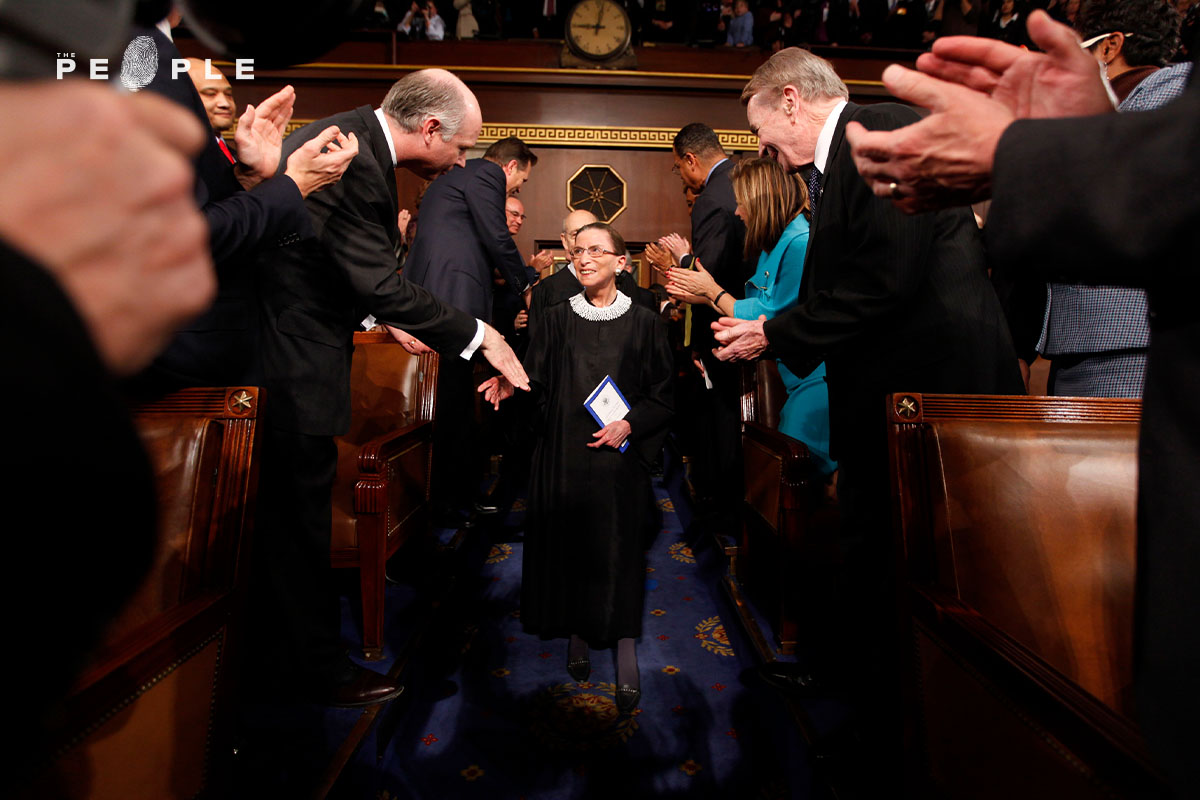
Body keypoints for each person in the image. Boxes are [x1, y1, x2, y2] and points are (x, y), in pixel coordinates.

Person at [842, 11, 1200, 793]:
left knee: (1102, 576)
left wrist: (1027, 158)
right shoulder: (1152, 99)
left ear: (1112, 44)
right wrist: (1088, 134)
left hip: (1127, 356)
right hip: (1108, 353)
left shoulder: (1170, 86)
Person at [713, 47, 1022, 754]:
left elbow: (885, 281)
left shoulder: (872, 132)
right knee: (875, 551)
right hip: (890, 394)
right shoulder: (838, 162)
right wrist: (773, 330)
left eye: (760, 127)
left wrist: (771, 334)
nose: (761, 147)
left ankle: (909, 726)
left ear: (790, 99)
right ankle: (861, 693)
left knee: (926, 566)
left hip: (935, 396)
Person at [254, 69, 529, 708]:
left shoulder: (356, 138)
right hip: (293, 364)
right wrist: (481, 335)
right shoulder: (347, 151)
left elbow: (344, 268)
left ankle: (293, 661)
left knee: (295, 526)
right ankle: (311, 671)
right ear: (429, 129)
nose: (462, 163)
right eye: (461, 149)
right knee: (297, 531)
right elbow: (376, 282)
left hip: (297, 353)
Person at [479, 222, 673, 714]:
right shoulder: (556, 316)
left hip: (619, 455)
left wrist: (629, 425)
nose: (584, 259)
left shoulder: (647, 320)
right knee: (573, 542)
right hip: (564, 450)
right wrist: (510, 386)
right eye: (578, 251)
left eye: (596, 251)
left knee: (617, 545)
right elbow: (536, 380)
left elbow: (663, 395)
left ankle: (623, 640)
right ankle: (579, 633)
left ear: (620, 262)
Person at [664, 157, 835, 476]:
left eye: (742, 203)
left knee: (795, 479)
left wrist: (712, 291)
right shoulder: (777, 244)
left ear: (763, 200)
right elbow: (752, 309)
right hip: (793, 379)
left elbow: (766, 316)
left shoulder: (798, 242)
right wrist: (704, 295)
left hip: (814, 383)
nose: (739, 212)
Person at [405, 135, 538, 523]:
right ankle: (447, 503)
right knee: (451, 409)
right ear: (510, 167)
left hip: (438, 294)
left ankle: (453, 498)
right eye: (522, 182)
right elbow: (496, 236)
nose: (516, 188)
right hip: (453, 296)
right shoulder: (486, 174)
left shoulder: (457, 179)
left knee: (454, 407)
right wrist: (526, 287)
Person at [660, 122, 753, 522]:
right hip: (746, 312)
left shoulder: (712, 197)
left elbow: (707, 277)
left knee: (723, 419)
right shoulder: (740, 179)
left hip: (726, 326)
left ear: (690, 160)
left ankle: (723, 506)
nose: (682, 176)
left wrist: (679, 264)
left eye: (679, 168)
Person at [186, 57, 235, 134]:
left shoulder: (244, 145)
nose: (225, 103)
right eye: (210, 94)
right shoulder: (165, 145)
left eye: (228, 94)